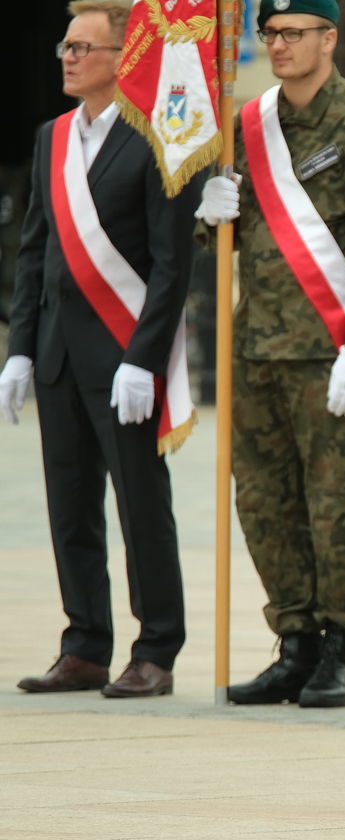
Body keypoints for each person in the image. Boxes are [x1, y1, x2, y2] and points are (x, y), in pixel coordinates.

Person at [193, 0, 345, 708]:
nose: (279, 45)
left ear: (328, 37)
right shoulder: (249, 124)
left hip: (328, 355)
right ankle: (294, 639)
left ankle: (339, 647)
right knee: (263, 501)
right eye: (270, 34)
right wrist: (211, 216)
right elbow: (232, 243)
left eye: (294, 33)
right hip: (256, 348)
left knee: (333, 502)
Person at [1, 0, 199, 697]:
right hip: (57, 353)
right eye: (65, 44)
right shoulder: (51, 137)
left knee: (141, 506)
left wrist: (145, 359)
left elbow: (173, 264)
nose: (67, 56)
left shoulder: (155, 139)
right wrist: (20, 347)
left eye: (84, 46)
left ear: (123, 59)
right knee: (69, 505)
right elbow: (35, 252)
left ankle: (156, 649)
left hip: (124, 358)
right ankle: (84, 642)